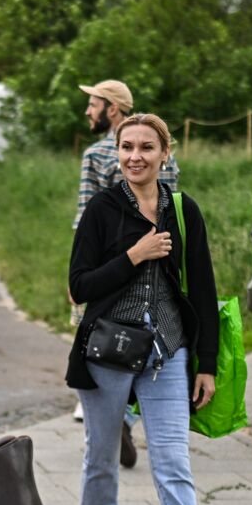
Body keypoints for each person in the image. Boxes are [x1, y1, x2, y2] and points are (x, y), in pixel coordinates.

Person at [67, 113, 236, 505]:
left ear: (166, 153)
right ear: (116, 152)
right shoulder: (102, 209)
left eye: (145, 147)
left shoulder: (183, 211)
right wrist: (134, 255)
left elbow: (202, 290)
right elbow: (80, 285)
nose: (134, 156)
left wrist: (206, 364)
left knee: (174, 468)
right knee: (101, 462)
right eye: (126, 147)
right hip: (108, 352)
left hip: (169, 353)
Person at [73, 80, 181, 465]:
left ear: (112, 108)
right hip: (159, 272)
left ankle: (116, 412)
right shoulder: (160, 146)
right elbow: (170, 213)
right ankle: (125, 414)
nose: (88, 110)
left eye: (93, 104)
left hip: (108, 273)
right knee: (148, 349)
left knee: (105, 341)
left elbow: (85, 218)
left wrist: (77, 272)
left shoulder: (96, 154)